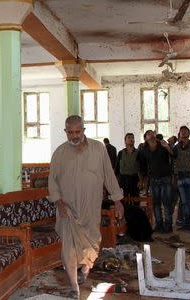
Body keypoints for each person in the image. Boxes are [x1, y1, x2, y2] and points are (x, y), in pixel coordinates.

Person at [48, 115, 124, 297]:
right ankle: (74, 287)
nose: (74, 136)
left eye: (77, 132)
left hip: (90, 209)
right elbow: (53, 181)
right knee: (69, 248)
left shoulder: (98, 148)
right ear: (65, 132)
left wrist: (117, 200)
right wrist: (58, 202)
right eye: (70, 132)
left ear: (83, 130)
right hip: (68, 210)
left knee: (91, 247)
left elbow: (108, 174)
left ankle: (84, 271)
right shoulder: (59, 153)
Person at [140, 130, 174, 233]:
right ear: (145, 138)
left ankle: (168, 225)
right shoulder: (144, 149)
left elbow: (174, 155)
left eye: (152, 133)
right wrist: (144, 179)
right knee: (156, 203)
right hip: (153, 179)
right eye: (148, 134)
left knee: (167, 202)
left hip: (165, 177)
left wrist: (168, 147)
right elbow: (143, 166)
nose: (151, 135)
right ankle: (159, 224)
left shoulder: (162, 144)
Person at [173, 126, 190, 232]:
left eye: (185, 131)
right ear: (179, 134)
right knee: (184, 202)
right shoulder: (177, 147)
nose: (183, 133)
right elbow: (172, 157)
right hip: (180, 176)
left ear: (189, 133)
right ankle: (186, 224)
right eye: (181, 132)